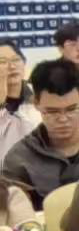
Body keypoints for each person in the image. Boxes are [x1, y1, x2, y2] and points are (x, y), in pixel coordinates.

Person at [2, 59, 79, 205]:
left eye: (71, 109)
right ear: (36, 103)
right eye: (52, 111)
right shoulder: (20, 159)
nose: (63, 119)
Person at [0, 36, 40, 166]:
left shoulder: (42, 95)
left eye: (16, 60)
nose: (12, 66)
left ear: (24, 63)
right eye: (2, 62)